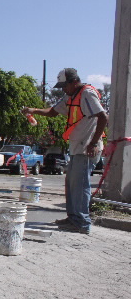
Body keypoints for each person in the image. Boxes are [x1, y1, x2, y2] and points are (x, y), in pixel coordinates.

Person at [23, 68, 108, 234]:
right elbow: (53, 112)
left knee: (81, 186)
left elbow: (103, 117)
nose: (63, 89)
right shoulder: (70, 96)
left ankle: (82, 223)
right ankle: (73, 218)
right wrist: (34, 110)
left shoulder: (87, 94)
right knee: (71, 185)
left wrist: (93, 143)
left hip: (87, 148)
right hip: (77, 147)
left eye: (65, 85)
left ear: (74, 82)